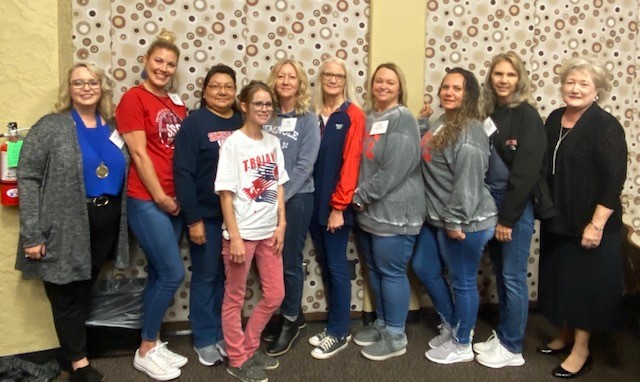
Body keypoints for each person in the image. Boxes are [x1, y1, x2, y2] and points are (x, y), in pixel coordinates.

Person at [16, 62, 129, 382]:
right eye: (78, 82)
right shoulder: (51, 126)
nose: (86, 87)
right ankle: (79, 365)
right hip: (66, 223)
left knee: (83, 289)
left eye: (92, 81)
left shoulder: (112, 126)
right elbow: (28, 176)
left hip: (105, 221)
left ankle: (72, 354)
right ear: (69, 89)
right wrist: (32, 234)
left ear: (102, 87)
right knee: (66, 293)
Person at [538, 57, 627, 379]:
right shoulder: (553, 118)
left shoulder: (605, 125)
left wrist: (597, 223)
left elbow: (614, 178)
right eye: (570, 82)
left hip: (590, 223)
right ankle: (564, 333)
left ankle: (582, 349)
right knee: (561, 281)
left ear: (597, 90)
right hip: (558, 219)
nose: (575, 89)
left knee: (584, 288)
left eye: (583, 84)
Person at [471, 52, 554, 368]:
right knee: (503, 275)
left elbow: (526, 173)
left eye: (510, 75)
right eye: (498, 74)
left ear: (519, 79)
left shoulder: (527, 115)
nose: (503, 80)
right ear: (490, 78)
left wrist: (507, 218)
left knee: (513, 276)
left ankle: (513, 348)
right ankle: (505, 334)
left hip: (514, 206)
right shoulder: (492, 113)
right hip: (492, 201)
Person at [116, 30, 188, 381]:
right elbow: (140, 153)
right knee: (173, 273)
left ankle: (154, 341)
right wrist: (159, 195)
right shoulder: (134, 99)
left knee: (160, 272)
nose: (163, 68)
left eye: (170, 64)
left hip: (175, 201)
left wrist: (177, 198)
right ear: (145, 62)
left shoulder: (176, 105)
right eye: (158, 61)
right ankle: (145, 350)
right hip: (148, 199)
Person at [417, 68, 497, 365]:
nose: (448, 93)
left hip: (467, 221)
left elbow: (469, 181)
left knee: (462, 281)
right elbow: (428, 148)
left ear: (469, 94)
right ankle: (452, 324)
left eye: (457, 88)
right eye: (445, 87)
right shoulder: (443, 122)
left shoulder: (471, 130)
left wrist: (456, 221)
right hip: (439, 216)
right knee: (424, 266)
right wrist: (422, 122)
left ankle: (462, 343)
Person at [351, 63, 425, 361]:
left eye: (390, 82)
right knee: (378, 271)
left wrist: (362, 195)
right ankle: (382, 325)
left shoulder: (402, 118)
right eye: (378, 81)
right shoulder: (371, 118)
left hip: (396, 213)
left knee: (392, 273)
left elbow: (395, 168)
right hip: (371, 213)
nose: (383, 85)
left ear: (399, 88)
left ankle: (396, 336)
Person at [215, 81, 287, 382]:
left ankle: (248, 346)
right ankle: (237, 357)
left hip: (269, 232)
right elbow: (226, 194)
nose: (264, 109)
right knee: (234, 298)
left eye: (268, 104)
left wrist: (282, 224)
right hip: (241, 235)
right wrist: (233, 237)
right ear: (244, 106)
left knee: (275, 295)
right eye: (258, 104)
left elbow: (278, 185)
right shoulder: (233, 144)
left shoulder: (272, 142)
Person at [173, 64, 243, 366]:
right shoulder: (194, 124)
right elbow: (183, 175)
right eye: (216, 86)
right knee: (206, 276)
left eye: (228, 86)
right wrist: (194, 220)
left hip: (238, 219)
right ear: (205, 91)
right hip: (207, 216)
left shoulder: (243, 121)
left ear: (235, 91)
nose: (222, 91)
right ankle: (204, 337)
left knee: (229, 278)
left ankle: (222, 333)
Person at [307, 57, 365, 360]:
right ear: (320, 78)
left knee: (337, 267)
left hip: (335, 207)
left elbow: (352, 163)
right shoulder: (313, 115)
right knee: (327, 266)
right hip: (312, 204)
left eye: (338, 76)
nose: (332, 79)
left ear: (345, 81)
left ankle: (340, 332)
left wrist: (339, 207)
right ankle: (332, 326)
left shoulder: (352, 115)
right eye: (327, 74)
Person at [262, 59, 321, 356]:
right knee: (269, 260)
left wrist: (278, 200)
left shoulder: (308, 119)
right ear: (274, 80)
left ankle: (291, 321)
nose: (286, 81)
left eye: (292, 77)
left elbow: (304, 166)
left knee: (289, 260)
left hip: (297, 199)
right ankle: (285, 313)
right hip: (264, 200)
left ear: (300, 84)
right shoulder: (265, 115)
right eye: (281, 76)